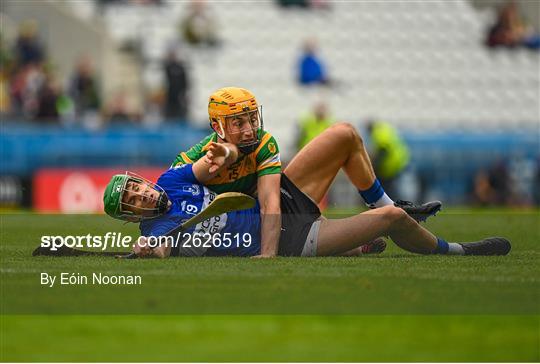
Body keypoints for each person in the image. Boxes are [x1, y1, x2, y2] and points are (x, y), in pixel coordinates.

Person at [102, 145, 511, 259]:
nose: (143, 195)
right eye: (133, 201)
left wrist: (221, 156)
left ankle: (370, 218)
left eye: (137, 187)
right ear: (130, 216)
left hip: (279, 198)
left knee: (344, 134)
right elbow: (157, 251)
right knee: (393, 219)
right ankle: (455, 250)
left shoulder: (171, 179)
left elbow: (208, 169)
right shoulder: (154, 231)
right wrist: (143, 249)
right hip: (291, 237)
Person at [170, 87, 442, 257]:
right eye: (239, 123)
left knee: (345, 133)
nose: (250, 129)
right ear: (218, 127)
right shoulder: (191, 161)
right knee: (310, 230)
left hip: (278, 206)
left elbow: (271, 202)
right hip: (252, 231)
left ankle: (393, 207)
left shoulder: (264, 141)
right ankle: (355, 246)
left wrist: (268, 255)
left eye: (252, 118)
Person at [366, 120, 410, 199]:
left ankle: (392, 205)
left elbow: (383, 150)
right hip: (399, 162)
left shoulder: (378, 133)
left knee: (388, 189)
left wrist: (375, 164)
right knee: (392, 187)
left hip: (391, 165)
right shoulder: (385, 129)